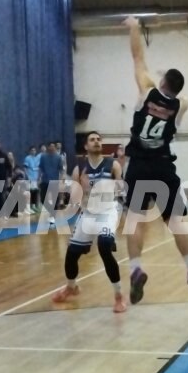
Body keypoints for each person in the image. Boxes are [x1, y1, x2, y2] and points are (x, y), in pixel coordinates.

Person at [121, 16, 188, 303]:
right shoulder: (181, 104)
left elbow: (137, 57)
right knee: (175, 221)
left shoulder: (146, 91)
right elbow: (178, 96)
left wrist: (134, 26)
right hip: (163, 166)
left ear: (160, 81)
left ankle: (136, 269)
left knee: (135, 221)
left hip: (139, 164)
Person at [51, 131, 127, 313]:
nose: (97, 142)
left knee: (104, 246)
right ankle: (71, 287)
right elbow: (75, 198)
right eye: (92, 140)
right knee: (71, 254)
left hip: (108, 211)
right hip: (88, 214)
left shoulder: (113, 164)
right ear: (86, 146)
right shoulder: (79, 169)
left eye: (99, 139)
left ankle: (119, 295)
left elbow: (121, 189)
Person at [39, 142, 65, 224]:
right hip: (45, 180)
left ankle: (52, 216)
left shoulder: (58, 157)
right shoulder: (43, 157)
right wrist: (38, 178)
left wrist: (61, 179)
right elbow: (40, 168)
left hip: (54, 181)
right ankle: (52, 211)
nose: (52, 148)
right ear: (48, 147)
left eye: (53, 146)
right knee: (43, 199)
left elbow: (61, 169)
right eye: (50, 146)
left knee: (55, 199)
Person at [24, 146, 42, 214]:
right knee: (30, 192)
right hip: (30, 178)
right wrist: (27, 176)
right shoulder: (27, 158)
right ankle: (30, 206)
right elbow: (25, 168)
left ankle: (36, 205)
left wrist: (39, 177)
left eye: (34, 150)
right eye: (32, 150)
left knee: (36, 192)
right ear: (30, 151)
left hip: (36, 178)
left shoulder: (37, 158)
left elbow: (38, 168)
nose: (33, 151)